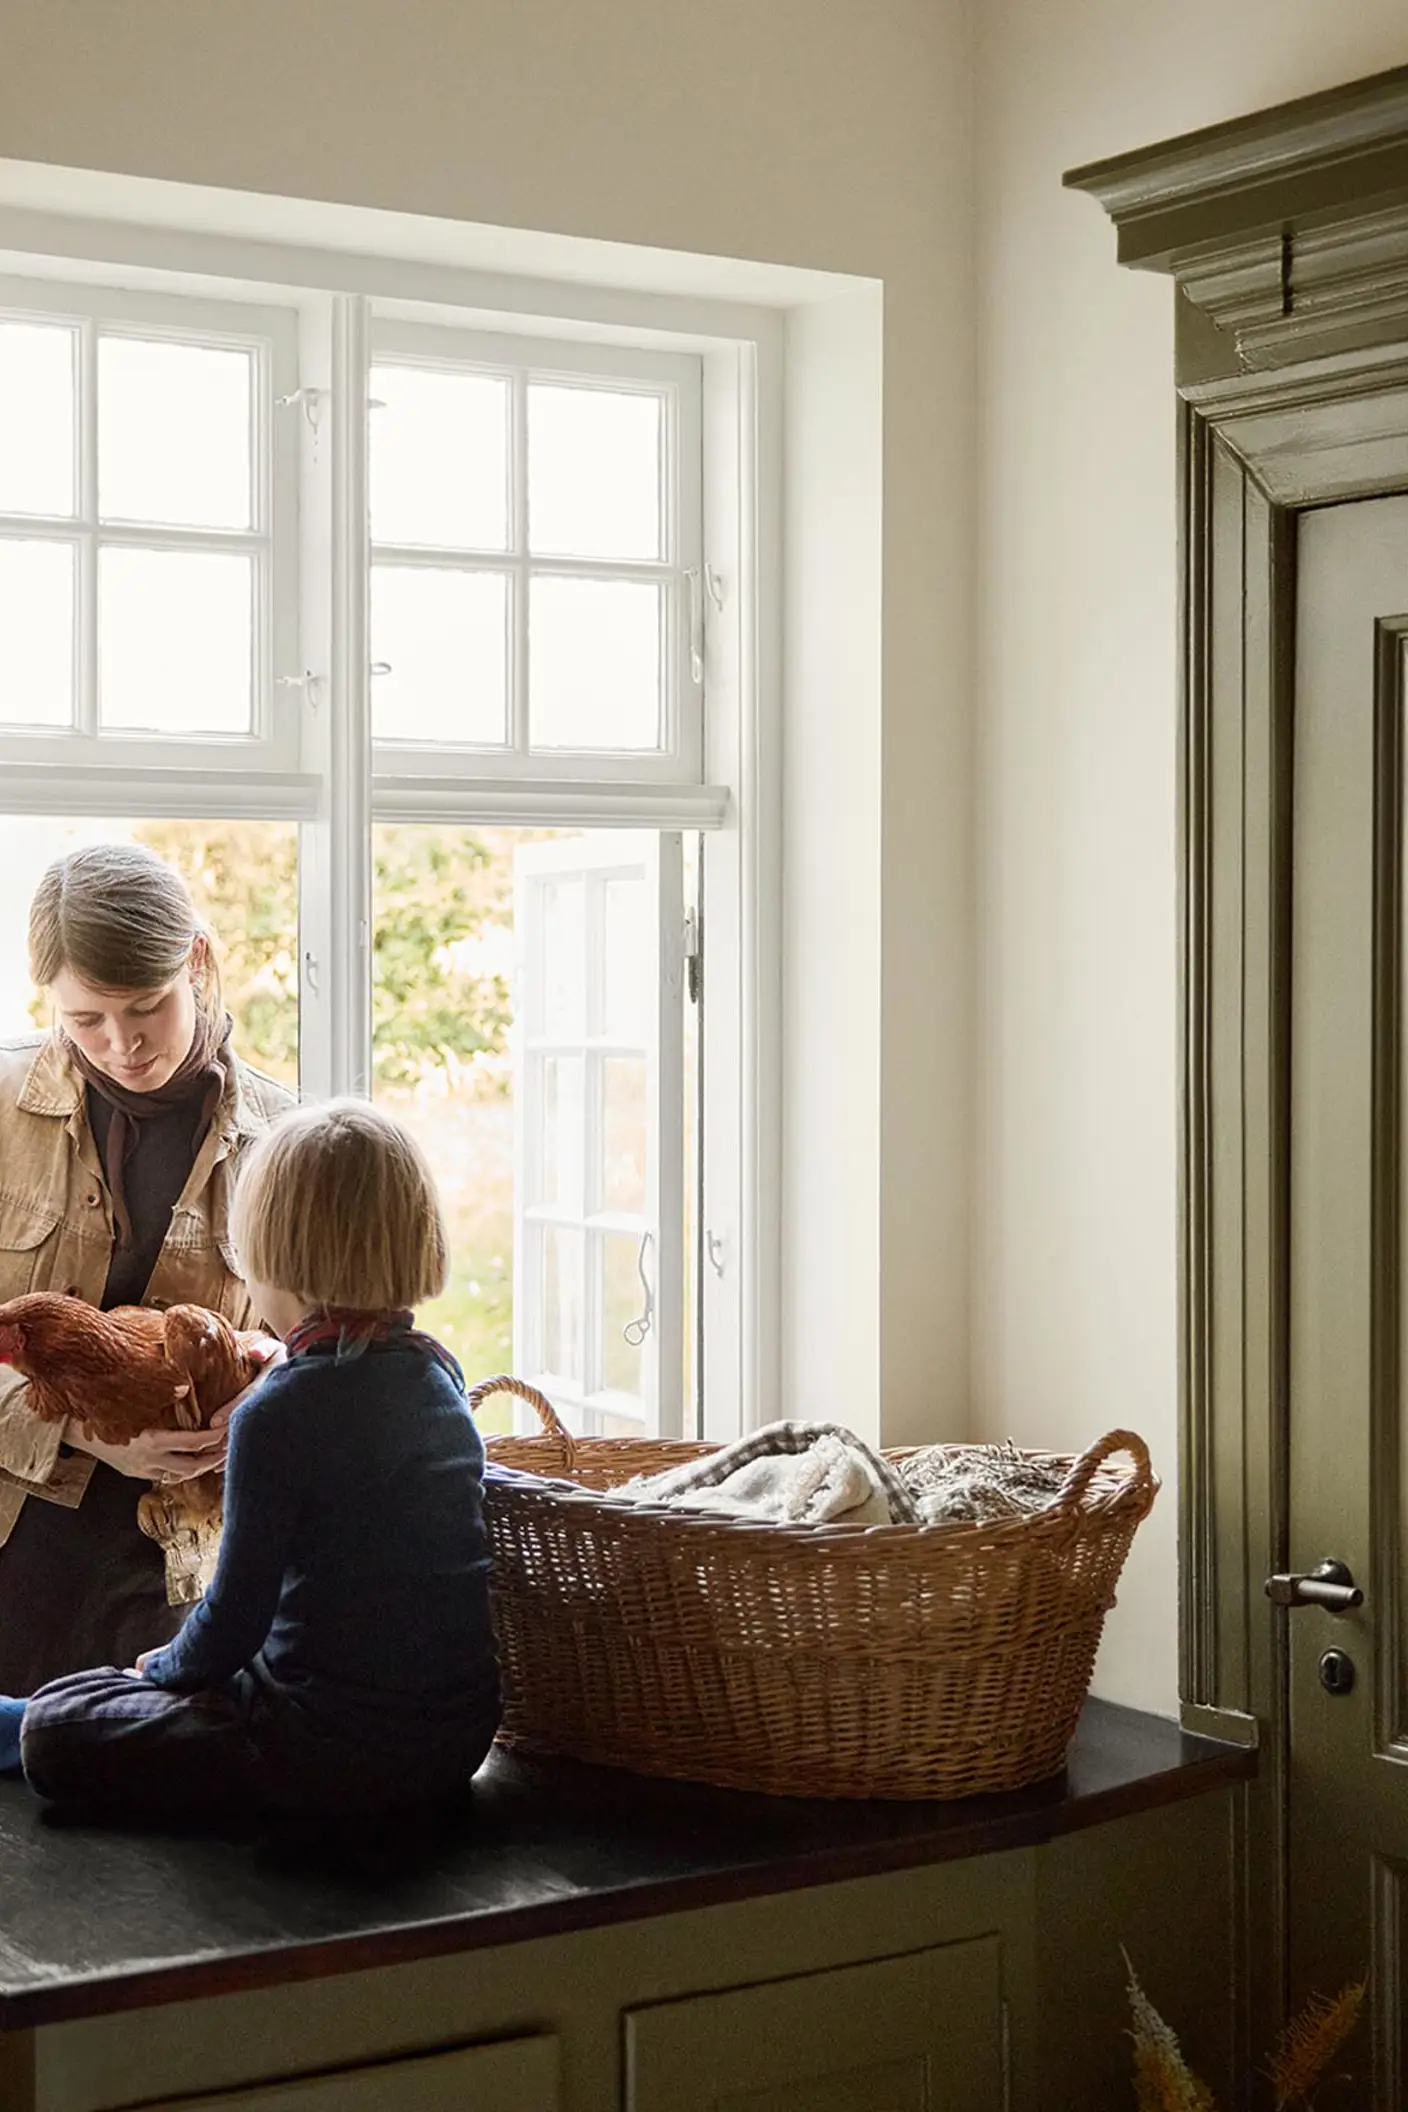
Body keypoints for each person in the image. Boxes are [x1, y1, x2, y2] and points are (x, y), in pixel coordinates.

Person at [0, 1099, 503, 1822]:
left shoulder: (279, 1414)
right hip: (454, 1741)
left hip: (315, 1747)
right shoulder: (439, 1380)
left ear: (274, 1260)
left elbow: (233, 1622)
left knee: (55, 1728)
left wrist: (162, 1669)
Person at [0, 844, 292, 1690]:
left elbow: (314, 1355)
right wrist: (72, 1423)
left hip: (183, 1568)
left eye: (146, 1007)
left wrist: (257, 1414)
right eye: (85, 1019)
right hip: (16, 1538)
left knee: (139, 1809)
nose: (121, 1045)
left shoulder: (283, 1141)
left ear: (196, 961)